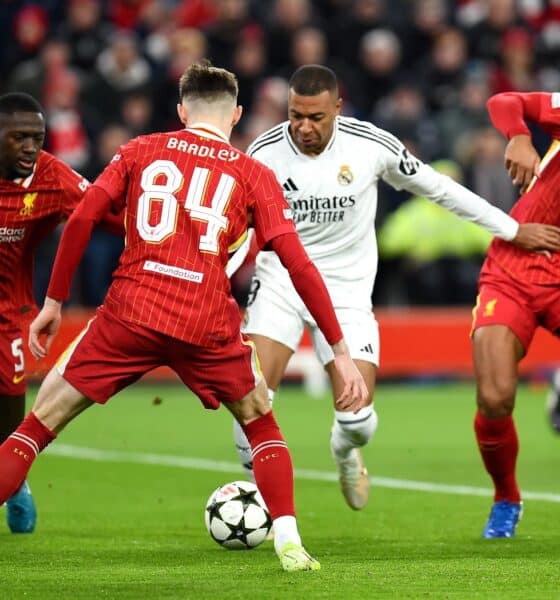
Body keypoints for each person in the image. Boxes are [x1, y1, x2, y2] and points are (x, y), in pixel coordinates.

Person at [0, 62, 368, 572]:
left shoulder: (139, 149)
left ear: (180, 110)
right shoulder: (252, 172)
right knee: (260, 422)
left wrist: (55, 302)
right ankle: (288, 540)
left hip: (131, 308)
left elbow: (83, 216)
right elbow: (297, 262)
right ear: (236, 115)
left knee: (38, 425)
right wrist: (341, 351)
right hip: (206, 320)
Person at [231, 64, 560, 512]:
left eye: (316, 118)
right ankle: (266, 511)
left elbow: (441, 189)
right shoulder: (263, 153)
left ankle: (345, 453)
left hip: (345, 291)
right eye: (296, 116)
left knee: (359, 421)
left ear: (338, 109)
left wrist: (510, 228)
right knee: (249, 398)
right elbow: (233, 224)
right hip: (280, 285)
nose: (304, 128)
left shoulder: (371, 145)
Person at [0, 92, 122, 534]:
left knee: (8, 413)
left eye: (37, 138)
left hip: (7, 315)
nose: (31, 147)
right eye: (18, 138)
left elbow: (106, 214)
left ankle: (16, 484)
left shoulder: (51, 176)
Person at [471, 90, 560, 538]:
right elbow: (506, 100)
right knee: (494, 396)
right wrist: (520, 137)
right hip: (517, 263)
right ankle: (506, 496)